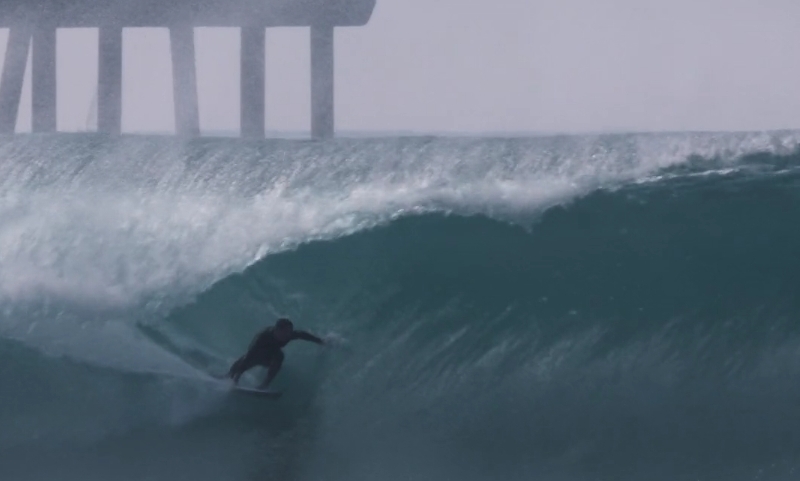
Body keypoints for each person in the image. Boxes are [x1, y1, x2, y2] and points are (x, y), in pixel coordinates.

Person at [226, 318, 325, 389]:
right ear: (277, 330)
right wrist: (237, 378)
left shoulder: (288, 335)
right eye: (285, 332)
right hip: (256, 355)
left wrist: (320, 341)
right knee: (247, 361)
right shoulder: (262, 337)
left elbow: (302, 335)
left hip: (270, 358)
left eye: (289, 332)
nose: (288, 335)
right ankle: (228, 376)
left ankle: (264, 385)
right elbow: (249, 356)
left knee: (279, 356)